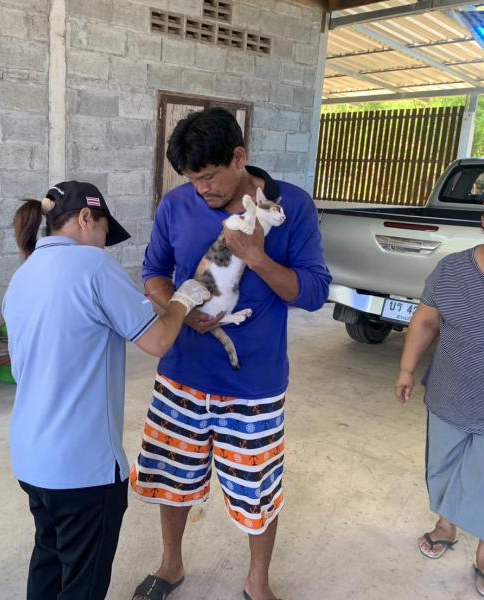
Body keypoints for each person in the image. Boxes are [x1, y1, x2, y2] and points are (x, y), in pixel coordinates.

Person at [129, 108, 331, 600]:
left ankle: (257, 582)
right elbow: (153, 272)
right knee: (172, 477)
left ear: (239, 157)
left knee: (257, 489)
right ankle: (171, 565)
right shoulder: (176, 206)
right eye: (192, 179)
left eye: (210, 176)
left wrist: (256, 255)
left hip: (254, 385)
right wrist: (178, 310)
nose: (202, 189)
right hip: (180, 374)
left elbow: (313, 292)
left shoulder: (290, 206)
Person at [2, 180, 210, 600]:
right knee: (83, 583)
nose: (103, 243)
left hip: (31, 459)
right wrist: (182, 301)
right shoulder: (94, 266)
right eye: (103, 231)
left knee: (49, 557)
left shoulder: (22, 275)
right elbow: (158, 341)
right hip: (82, 470)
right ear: (85, 218)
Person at [395, 188, 484, 600]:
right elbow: (425, 322)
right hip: (449, 394)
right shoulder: (453, 270)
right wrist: (407, 369)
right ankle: (445, 526)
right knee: (443, 467)